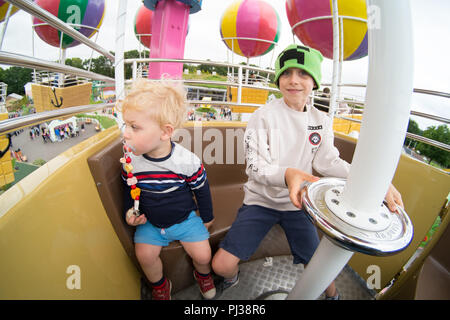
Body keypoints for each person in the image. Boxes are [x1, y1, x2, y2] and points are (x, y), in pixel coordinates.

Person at [212, 44, 404, 300]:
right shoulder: (263, 116)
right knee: (220, 265)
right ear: (278, 78)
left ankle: (332, 297)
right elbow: (255, 167)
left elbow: (328, 162)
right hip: (261, 201)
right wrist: (288, 174)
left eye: (302, 74)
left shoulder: (321, 121)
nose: (293, 80)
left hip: (298, 202)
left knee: (319, 270)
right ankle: (232, 280)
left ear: (314, 81)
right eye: (286, 73)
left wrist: (375, 183)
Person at [119, 79, 216, 300]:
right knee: (144, 256)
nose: (126, 133)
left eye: (134, 127)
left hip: (185, 220)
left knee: (203, 254)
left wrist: (207, 217)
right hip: (151, 222)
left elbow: (202, 189)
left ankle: (203, 275)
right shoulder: (130, 161)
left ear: (165, 132)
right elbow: (128, 189)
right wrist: (129, 212)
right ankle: (161, 285)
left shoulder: (187, 161)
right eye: (126, 125)